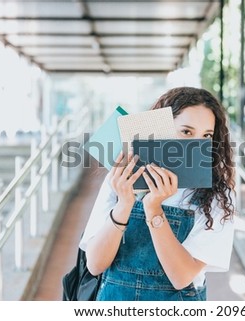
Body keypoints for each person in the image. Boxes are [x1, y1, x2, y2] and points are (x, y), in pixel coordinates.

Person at [79, 86, 236, 301]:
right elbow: (95, 265)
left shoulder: (218, 196)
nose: (195, 143)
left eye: (206, 135)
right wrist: (124, 204)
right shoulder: (123, 178)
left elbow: (181, 277)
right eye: (186, 131)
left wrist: (153, 210)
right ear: (161, 129)